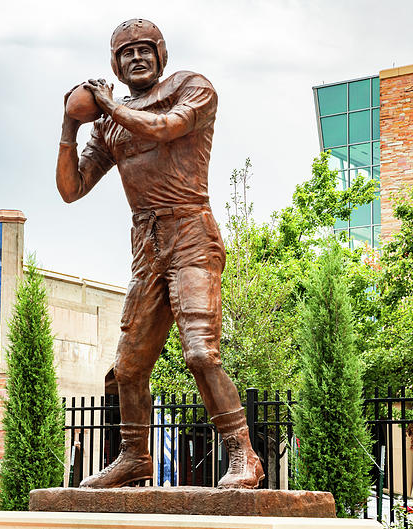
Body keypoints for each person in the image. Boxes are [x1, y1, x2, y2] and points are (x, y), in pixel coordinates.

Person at [56, 19, 263, 489]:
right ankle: (135, 458)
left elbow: (166, 128)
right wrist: (69, 123)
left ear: (160, 53)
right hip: (147, 244)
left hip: (190, 230)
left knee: (200, 351)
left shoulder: (192, 88)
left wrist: (107, 104)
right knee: (128, 365)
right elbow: (72, 188)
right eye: (125, 53)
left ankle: (244, 455)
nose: (136, 58)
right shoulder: (111, 123)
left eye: (144, 49)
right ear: (115, 64)